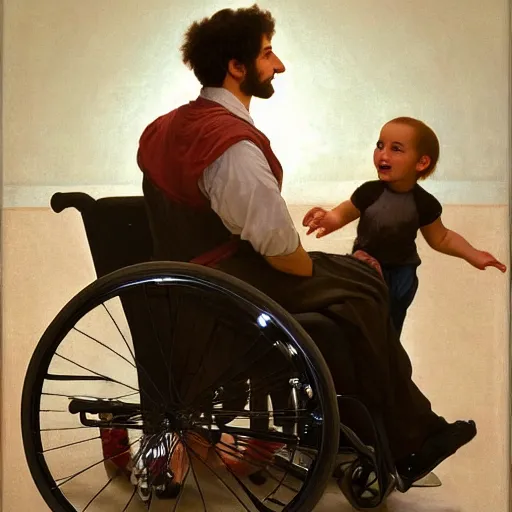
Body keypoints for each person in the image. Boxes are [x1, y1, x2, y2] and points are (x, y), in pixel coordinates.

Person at [136, 4, 478, 492]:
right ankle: (404, 436)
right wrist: (322, 268)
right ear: (237, 67)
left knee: (356, 278)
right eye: (267, 54)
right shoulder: (231, 146)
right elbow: (279, 250)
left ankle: (389, 428)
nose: (279, 66)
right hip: (227, 285)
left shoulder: (169, 125)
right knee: (362, 290)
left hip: (197, 272)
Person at [302, 117, 507, 335]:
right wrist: (328, 218)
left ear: (421, 163)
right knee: (361, 318)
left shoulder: (424, 203)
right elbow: (344, 213)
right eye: (380, 146)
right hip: (365, 264)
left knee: (391, 323)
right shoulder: (370, 192)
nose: (383, 154)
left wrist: (472, 254)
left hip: (402, 273)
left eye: (396, 149)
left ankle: (388, 362)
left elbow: (441, 237)